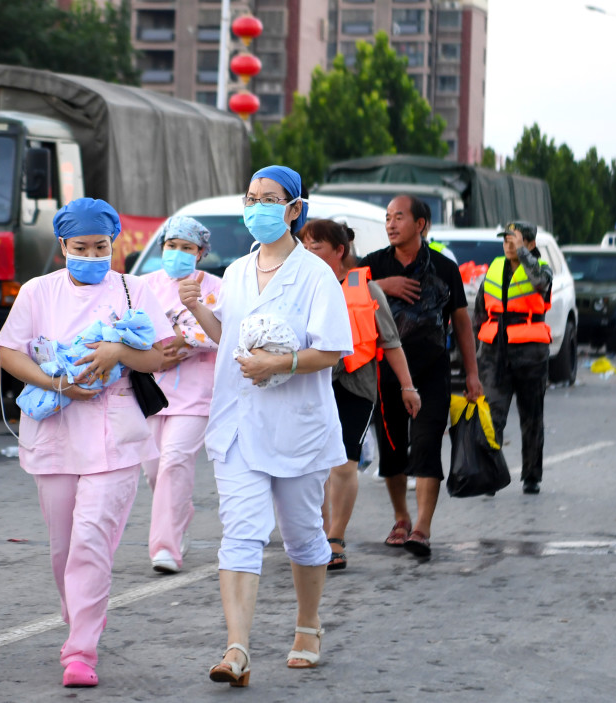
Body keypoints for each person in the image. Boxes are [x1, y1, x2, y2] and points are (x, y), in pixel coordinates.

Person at [179, 166, 353, 686]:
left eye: (269, 199)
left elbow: (332, 351)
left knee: (303, 537)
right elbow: (229, 336)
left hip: (296, 427)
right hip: (236, 423)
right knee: (241, 533)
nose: (256, 207)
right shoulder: (235, 272)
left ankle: (308, 624)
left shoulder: (316, 274)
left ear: (294, 209)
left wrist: (280, 365)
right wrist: (197, 311)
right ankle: (237, 649)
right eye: (250, 198)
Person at [0, 197, 169, 688]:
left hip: (115, 432)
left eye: (102, 246)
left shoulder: (133, 289)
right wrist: (55, 384)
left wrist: (118, 350)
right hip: (54, 430)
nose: (93, 255)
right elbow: (9, 353)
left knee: (92, 539)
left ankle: (81, 650)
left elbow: (157, 357)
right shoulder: (37, 292)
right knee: (63, 547)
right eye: (81, 247)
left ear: (115, 244)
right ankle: (81, 621)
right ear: (63, 246)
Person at [359, 194, 483, 560]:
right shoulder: (372, 265)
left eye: (399, 217)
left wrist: (472, 374)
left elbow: (462, 322)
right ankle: (401, 518)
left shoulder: (444, 268)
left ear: (421, 225)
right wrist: (384, 285)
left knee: (428, 445)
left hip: (431, 372)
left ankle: (422, 528)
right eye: (387, 218)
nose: (391, 224)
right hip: (384, 372)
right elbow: (345, 294)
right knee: (392, 448)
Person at [300, 219, 421, 571]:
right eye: (304, 247)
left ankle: (335, 538)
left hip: (354, 385)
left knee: (343, 462)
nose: (308, 253)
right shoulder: (297, 287)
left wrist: (407, 386)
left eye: (316, 247)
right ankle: (315, 535)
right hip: (309, 383)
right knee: (311, 464)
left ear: (339, 251)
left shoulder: (365, 290)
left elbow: (391, 343)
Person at [140, 216, 222, 574]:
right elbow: (131, 330)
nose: (177, 253)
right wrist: (166, 339)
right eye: (171, 246)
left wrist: (180, 337)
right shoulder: (142, 286)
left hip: (196, 394)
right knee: (155, 470)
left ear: (200, 253)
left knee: (174, 461)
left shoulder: (215, 287)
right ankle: (179, 516)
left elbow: (219, 335)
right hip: (148, 390)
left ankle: (166, 549)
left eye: (186, 248)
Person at [474, 221, 552, 495]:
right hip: (495, 351)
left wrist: (525, 255)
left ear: (529, 243)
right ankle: (491, 476)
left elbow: (540, 283)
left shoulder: (540, 267)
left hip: (530, 352)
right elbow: (480, 311)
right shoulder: (494, 269)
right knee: (491, 416)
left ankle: (532, 476)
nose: (508, 244)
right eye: (505, 239)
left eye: (514, 239)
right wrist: (475, 351)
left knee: (531, 417)